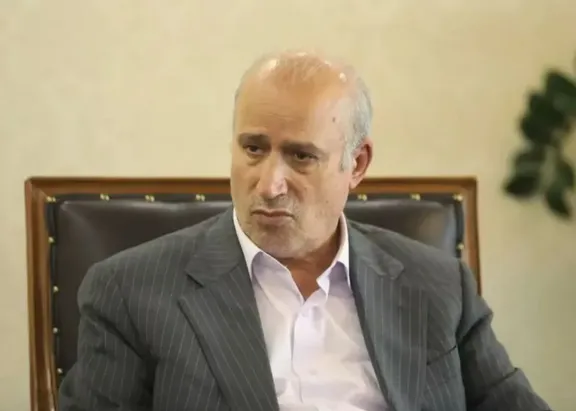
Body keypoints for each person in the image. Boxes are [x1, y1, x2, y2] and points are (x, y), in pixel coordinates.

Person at [58, 50, 551, 411]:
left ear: (356, 164)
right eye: (253, 149)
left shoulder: (438, 286)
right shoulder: (131, 291)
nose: (270, 184)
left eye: (301, 156)